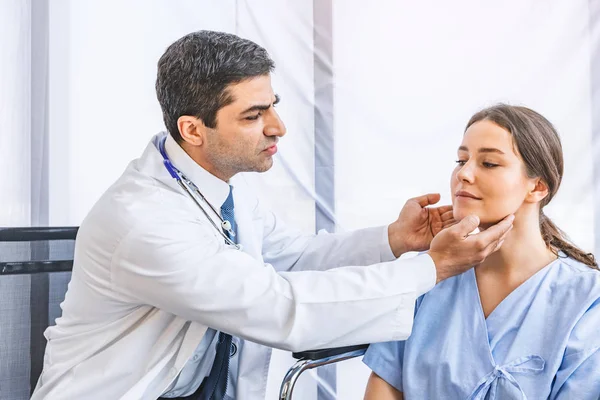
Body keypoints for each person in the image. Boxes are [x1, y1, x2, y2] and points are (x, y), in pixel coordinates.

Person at [32, 31, 512, 400]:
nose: (278, 127)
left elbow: (295, 257)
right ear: (192, 130)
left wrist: (392, 240)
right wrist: (432, 267)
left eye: (273, 107)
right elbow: (281, 308)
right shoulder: (144, 221)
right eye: (253, 115)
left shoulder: (219, 191)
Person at [363, 104, 600, 399]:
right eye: (461, 160)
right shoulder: (425, 277)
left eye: (488, 163)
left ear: (538, 187)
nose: (464, 174)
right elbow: (384, 384)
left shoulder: (587, 301)